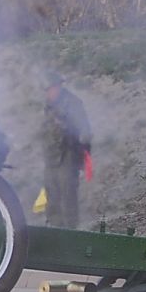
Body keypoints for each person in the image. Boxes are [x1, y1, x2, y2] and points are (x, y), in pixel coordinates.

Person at [38, 71, 92, 229]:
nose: (49, 92)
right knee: (51, 198)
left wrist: (84, 158)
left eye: (51, 88)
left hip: (69, 156)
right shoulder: (48, 105)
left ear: (59, 87)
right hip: (52, 158)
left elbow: (85, 131)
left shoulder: (73, 103)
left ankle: (70, 233)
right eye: (47, 90)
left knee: (68, 199)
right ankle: (55, 231)